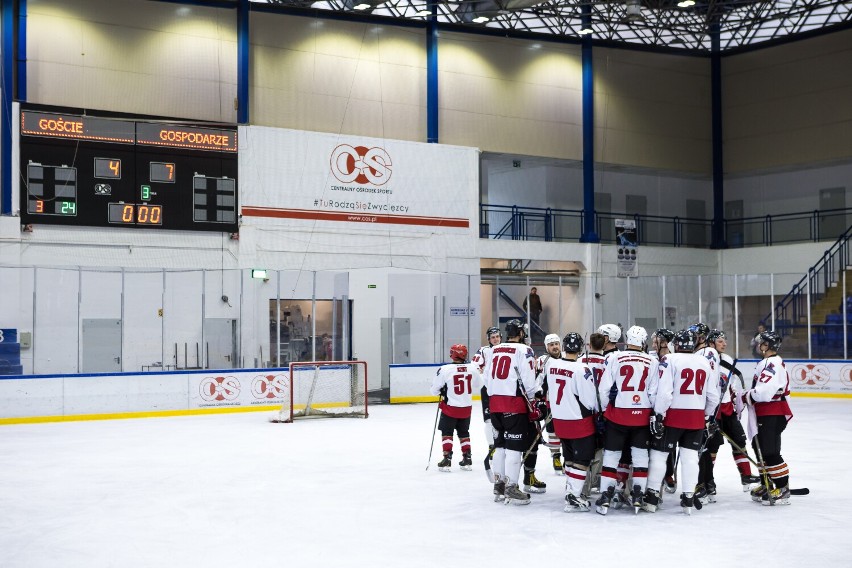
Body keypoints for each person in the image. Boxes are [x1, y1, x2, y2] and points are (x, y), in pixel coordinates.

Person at [643, 329, 720, 515]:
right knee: (690, 458)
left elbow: (664, 392)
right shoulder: (704, 362)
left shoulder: (670, 360)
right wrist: (706, 416)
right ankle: (688, 498)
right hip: (695, 418)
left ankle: (652, 498)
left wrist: (659, 413)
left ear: (676, 344)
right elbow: (713, 397)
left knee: (659, 455)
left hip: (673, 416)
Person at [595, 325, 658, 515]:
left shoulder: (615, 357)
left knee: (612, 455)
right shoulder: (651, 361)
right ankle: (638, 494)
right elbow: (654, 393)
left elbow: (604, 389)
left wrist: (604, 410)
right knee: (640, 457)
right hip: (642, 416)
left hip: (618, 416)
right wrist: (655, 413)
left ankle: (606, 494)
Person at [695, 330, 761, 503]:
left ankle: (746, 475)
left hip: (726, 408)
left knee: (739, 440)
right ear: (710, 343)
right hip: (712, 409)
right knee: (712, 445)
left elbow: (731, 384)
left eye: (725, 341)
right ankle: (707, 481)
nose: (724, 344)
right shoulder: (702, 358)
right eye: (720, 341)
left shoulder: (728, 359)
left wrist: (735, 399)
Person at [483, 319, 538, 505]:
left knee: (499, 446)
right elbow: (529, 382)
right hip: (513, 404)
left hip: (495, 403)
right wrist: (532, 400)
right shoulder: (524, 350)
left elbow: (487, 377)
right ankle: (512, 487)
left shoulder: (495, 349)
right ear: (521, 333)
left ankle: (499, 484)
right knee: (514, 448)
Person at [542, 332, 599, 512]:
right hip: (578, 421)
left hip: (559, 421)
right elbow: (590, 401)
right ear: (581, 348)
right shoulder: (582, 369)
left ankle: (571, 490)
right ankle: (573, 497)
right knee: (582, 458)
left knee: (570, 457)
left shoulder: (551, 365)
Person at [741, 330, 794, 505]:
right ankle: (767, 483)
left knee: (770, 451)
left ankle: (783, 487)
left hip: (772, 412)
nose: (758, 345)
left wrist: (747, 395)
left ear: (768, 346)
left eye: (761, 343)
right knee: (761, 450)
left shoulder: (772, 364)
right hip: (766, 412)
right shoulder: (768, 362)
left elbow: (763, 392)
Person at [430, 344, 480, 472]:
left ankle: (447, 459)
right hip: (466, 408)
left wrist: (442, 390)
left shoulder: (445, 369)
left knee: (447, 432)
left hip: (450, 408)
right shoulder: (472, 368)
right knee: (464, 433)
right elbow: (480, 384)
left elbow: (434, 391)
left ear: (452, 354)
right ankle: (467, 458)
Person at [580, 332, 608, 499]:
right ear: (604, 345)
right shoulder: (608, 362)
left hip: (582, 410)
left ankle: (584, 484)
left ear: (589, 345)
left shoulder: (580, 361)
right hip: (600, 410)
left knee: (584, 446)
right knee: (599, 446)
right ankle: (596, 478)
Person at [472, 326, 502, 481]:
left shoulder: (506, 349)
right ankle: (492, 445)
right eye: (493, 337)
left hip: (503, 389)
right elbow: (474, 365)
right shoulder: (484, 351)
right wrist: (483, 377)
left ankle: (502, 444)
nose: (495, 339)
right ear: (488, 339)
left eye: (497, 336)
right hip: (488, 390)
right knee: (489, 420)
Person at [537, 334, 564, 475]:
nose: (554, 346)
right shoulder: (543, 360)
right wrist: (540, 399)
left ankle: (568, 457)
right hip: (550, 402)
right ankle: (556, 457)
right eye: (551, 344)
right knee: (553, 431)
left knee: (566, 430)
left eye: (556, 343)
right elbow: (538, 381)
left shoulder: (567, 357)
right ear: (546, 347)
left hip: (567, 402)